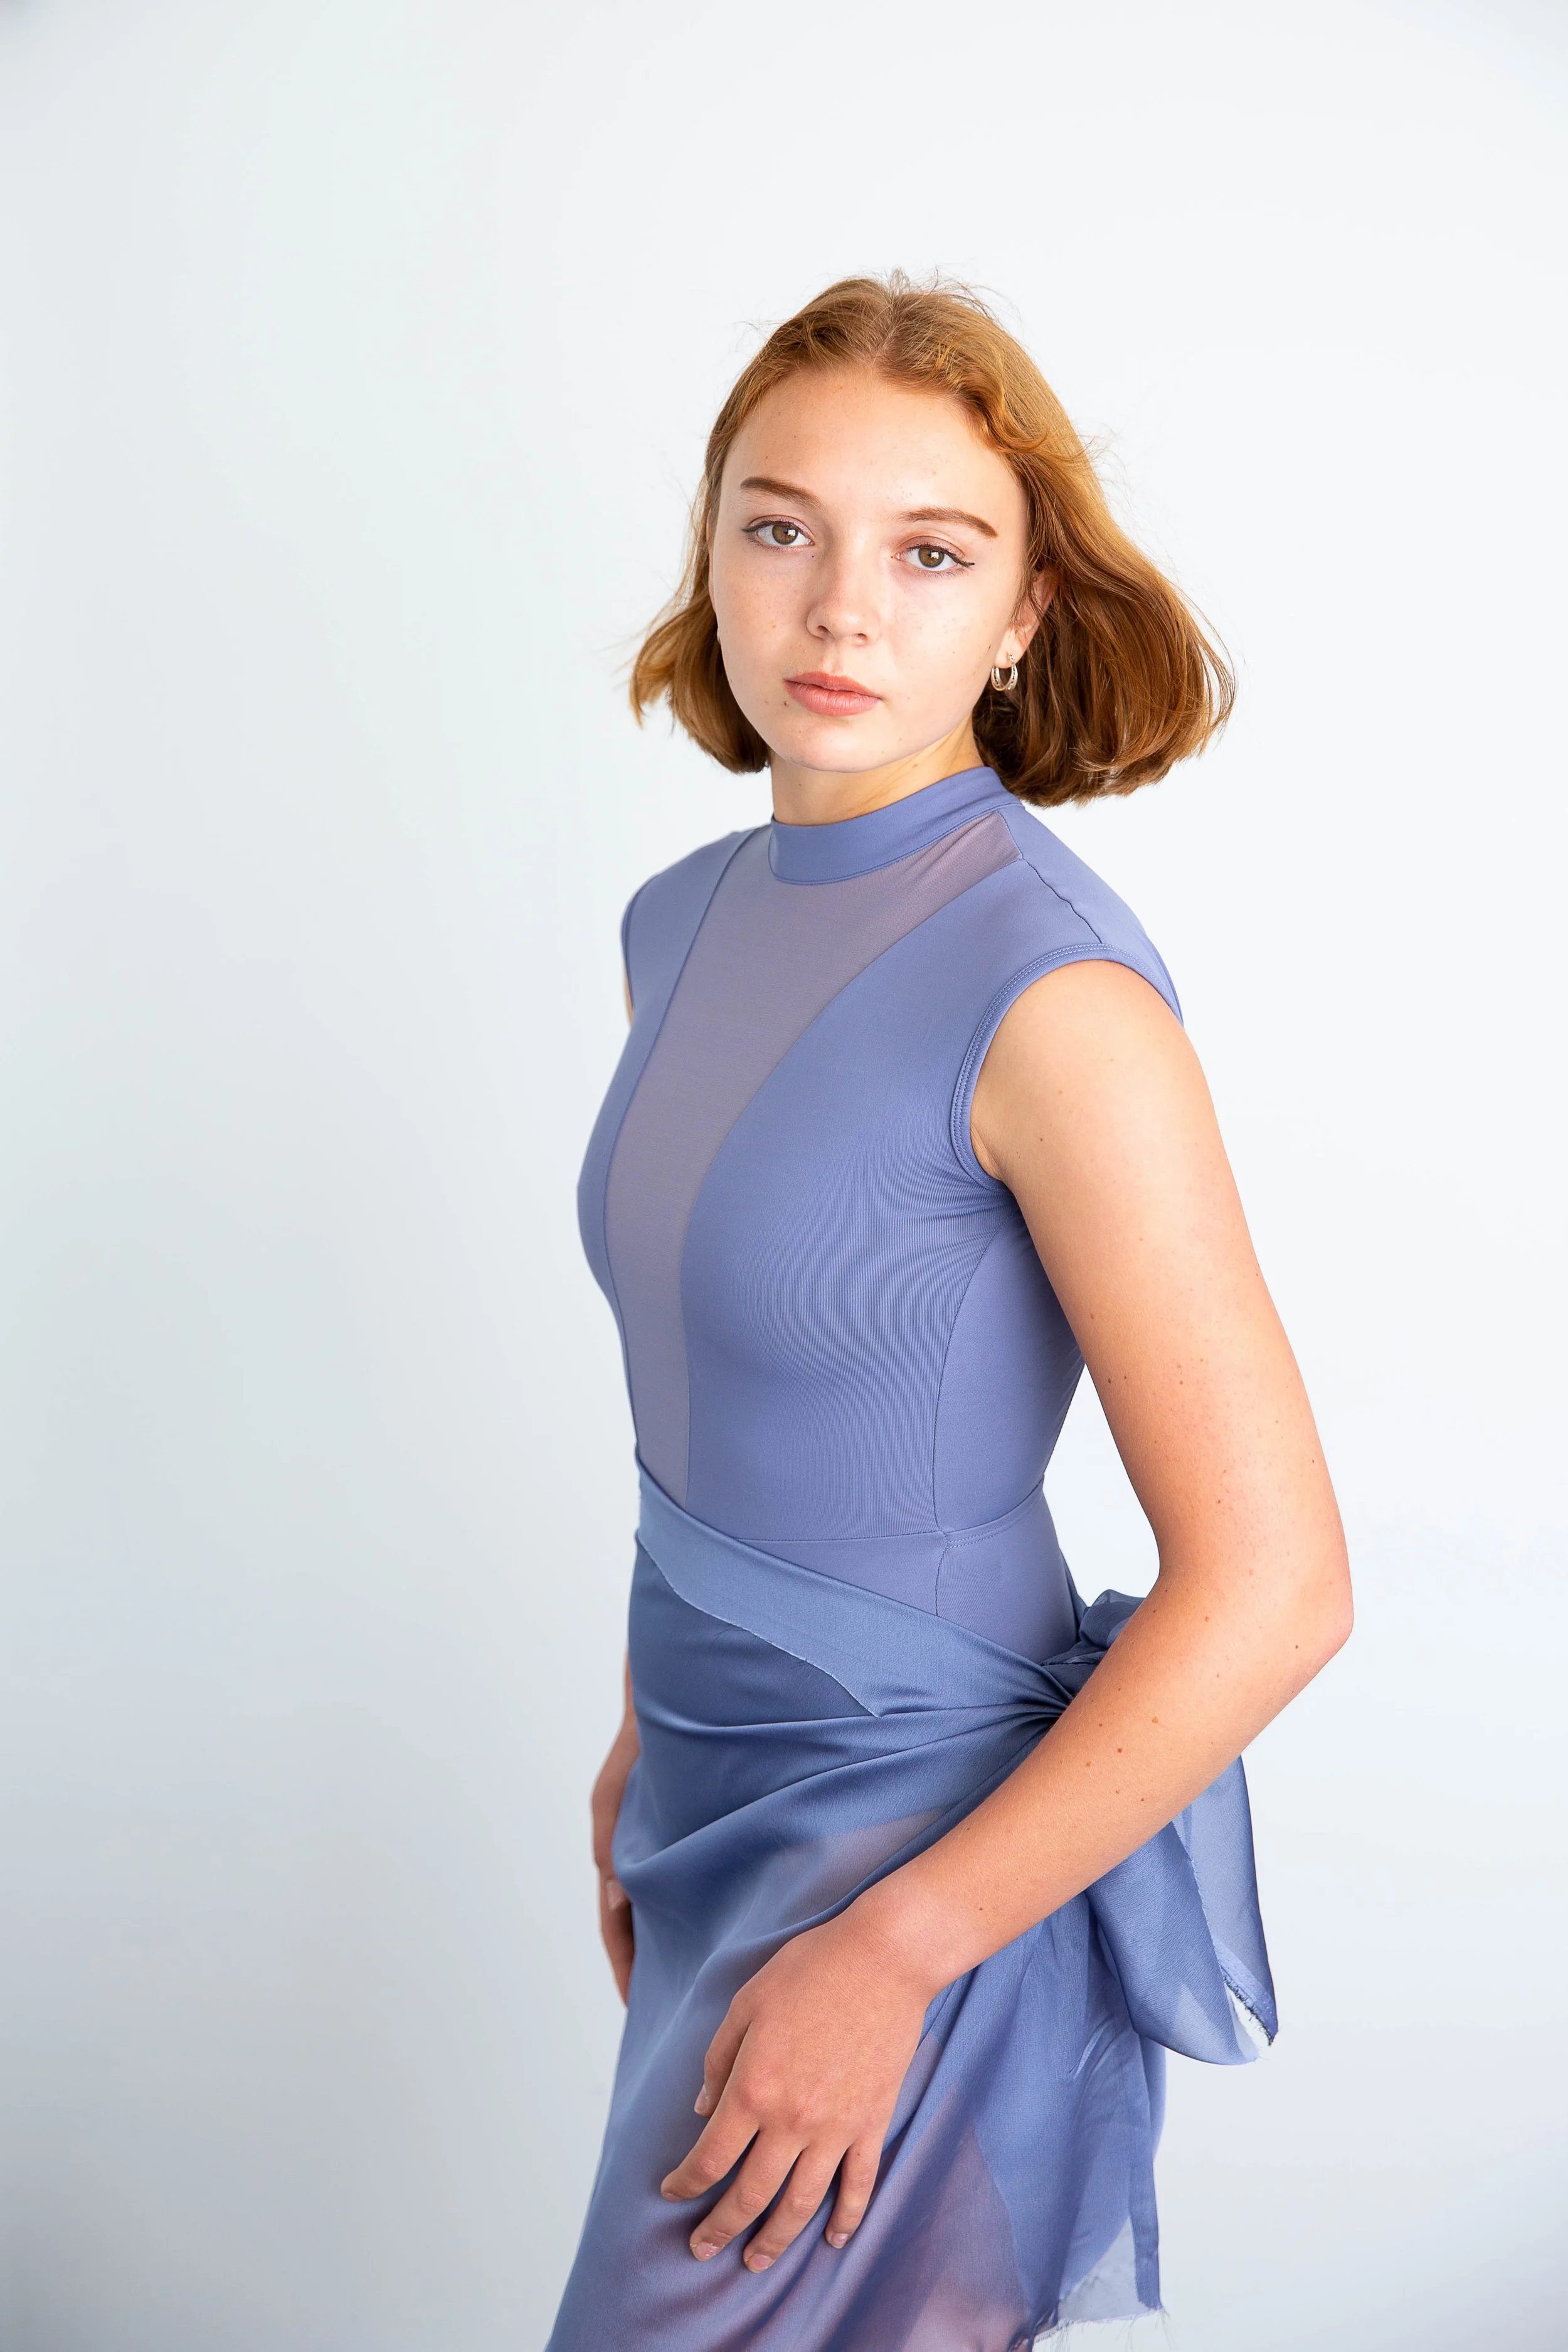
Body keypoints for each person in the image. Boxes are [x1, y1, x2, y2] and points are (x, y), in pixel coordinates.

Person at [548, 273, 1352, 2349]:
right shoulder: (677, 923)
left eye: (929, 552)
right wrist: (646, 1722)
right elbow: (719, 1386)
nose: (837, 608)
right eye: (779, 526)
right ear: (711, 549)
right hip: (714, 1809)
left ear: (1020, 612)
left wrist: (894, 1950)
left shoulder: (1053, 998)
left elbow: (1277, 1584)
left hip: (914, 1868)